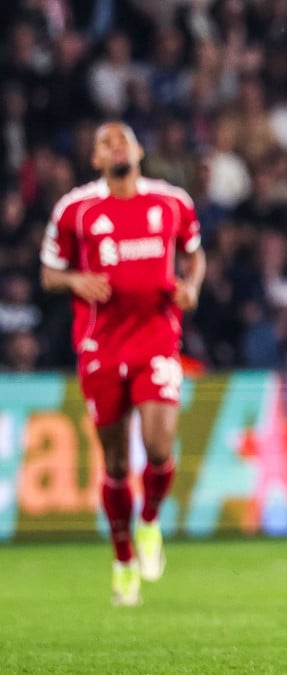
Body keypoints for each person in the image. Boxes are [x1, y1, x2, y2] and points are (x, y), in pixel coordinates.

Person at [40, 122, 205, 606]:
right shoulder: (75, 209)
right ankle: (122, 558)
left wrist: (192, 288)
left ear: (139, 150)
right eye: (104, 143)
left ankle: (149, 521)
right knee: (114, 462)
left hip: (157, 341)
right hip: (102, 347)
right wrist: (75, 280)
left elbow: (195, 256)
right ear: (95, 159)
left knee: (158, 446)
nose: (115, 147)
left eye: (123, 140)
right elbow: (48, 273)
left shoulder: (172, 203)